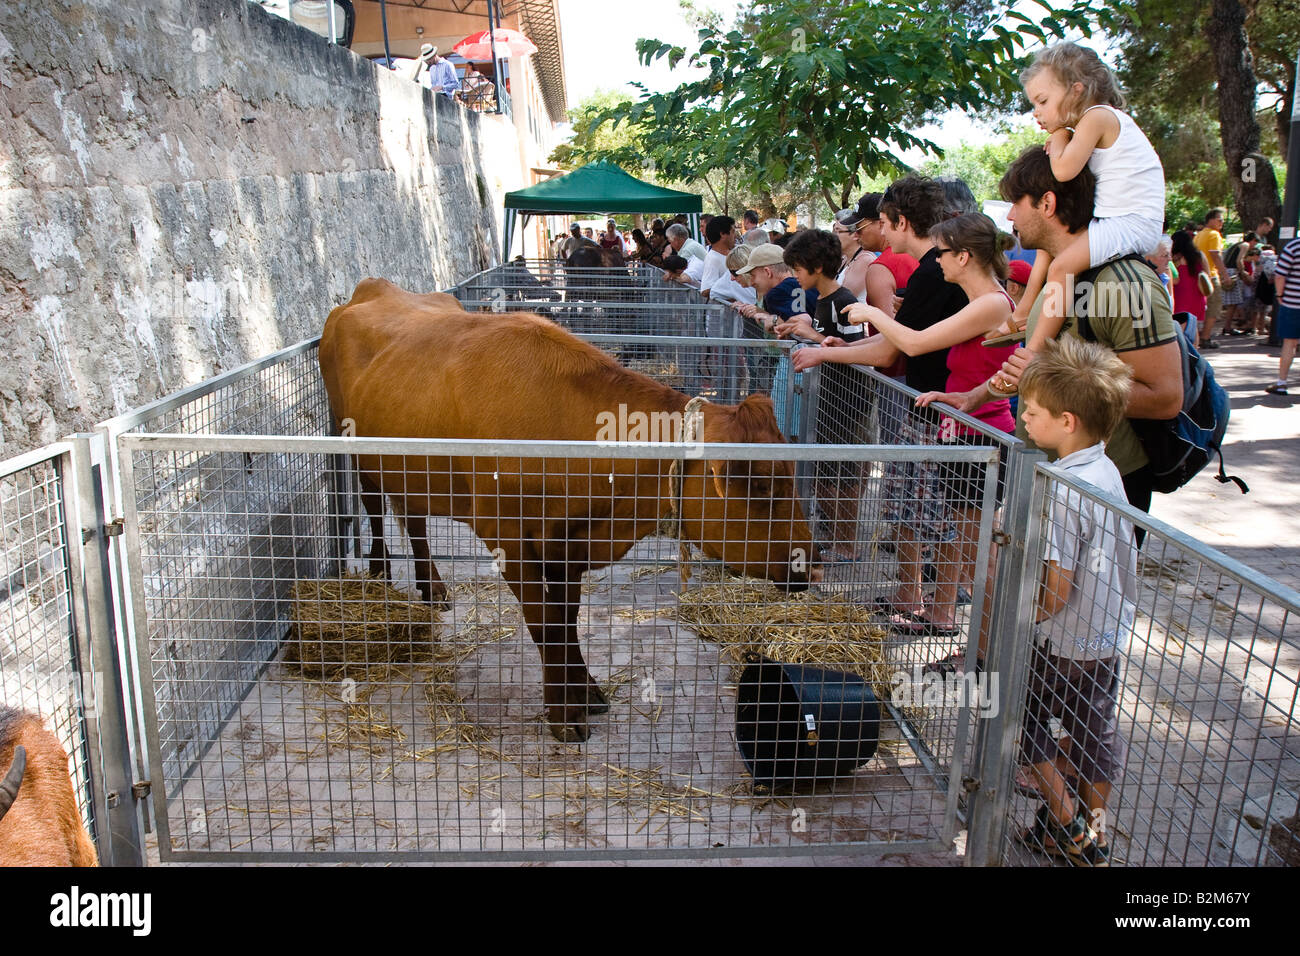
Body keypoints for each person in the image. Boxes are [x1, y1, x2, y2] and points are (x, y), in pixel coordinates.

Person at [939, 146, 1182, 527]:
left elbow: (1166, 397)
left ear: (1047, 203)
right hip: (1048, 479)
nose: (1011, 215)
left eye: (1016, 203)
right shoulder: (1058, 274)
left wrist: (1049, 379)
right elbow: (1034, 367)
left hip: (1098, 493)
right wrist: (976, 396)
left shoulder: (1124, 284)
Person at [847, 213, 1018, 640]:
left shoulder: (992, 303)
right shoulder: (976, 302)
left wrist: (873, 312)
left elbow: (915, 343)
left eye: (942, 253)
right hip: (961, 430)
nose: (936, 261)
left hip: (981, 439)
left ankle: (985, 648)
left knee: (981, 553)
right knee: (961, 538)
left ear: (964, 256)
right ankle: (950, 624)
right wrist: (965, 398)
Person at [794, 177, 967, 597]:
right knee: (915, 513)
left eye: (885, 224)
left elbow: (891, 351)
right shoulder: (928, 270)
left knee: (944, 522)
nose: (880, 233)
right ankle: (916, 601)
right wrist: (842, 343)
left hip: (943, 412)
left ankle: (941, 607)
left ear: (903, 223)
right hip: (927, 407)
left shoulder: (931, 273)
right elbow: (892, 340)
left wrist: (825, 352)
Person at [1015, 335, 1136, 867]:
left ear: (1067, 421)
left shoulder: (1062, 489)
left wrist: (1022, 620)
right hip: (1105, 633)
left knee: (1023, 721)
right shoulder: (1106, 469)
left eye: (1031, 410)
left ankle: (1067, 824)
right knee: (1093, 733)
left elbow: (1058, 586)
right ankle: (1095, 831)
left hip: (1060, 637)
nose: (1021, 417)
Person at [1006, 43, 1165, 365]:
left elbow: (1063, 170)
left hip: (1130, 221)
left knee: (1063, 267)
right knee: (1052, 252)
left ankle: (1033, 351)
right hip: (1118, 217)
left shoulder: (1098, 117)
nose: (1036, 111)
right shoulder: (1094, 124)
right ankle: (1023, 312)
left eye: (1043, 101)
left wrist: (1061, 134)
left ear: (1077, 91)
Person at [774, 229, 868, 561]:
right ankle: (836, 539)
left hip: (849, 403)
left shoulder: (844, 302)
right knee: (828, 475)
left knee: (843, 478)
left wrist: (809, 335)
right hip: (828, 399)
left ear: (815, 267)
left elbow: (859, 352)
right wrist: (804, 332)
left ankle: (847, 544)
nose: (794, 277)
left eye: (797, 269)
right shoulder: (824, 300)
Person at [1266, 233, 1300, 395]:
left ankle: (1282, 382)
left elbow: (1280, 274)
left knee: (1289, 343)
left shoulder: (1293, 247)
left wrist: (1280, 295)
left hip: (1293, 303)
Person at [1194, 208, 1231, 348]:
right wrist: (1225, 275)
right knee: (1214, 307)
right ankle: (1205, 337)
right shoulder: (1214, 235)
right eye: (1220, 219)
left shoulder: (1199, 234)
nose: (1222, 223)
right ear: (1211, 220)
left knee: (1202, 307)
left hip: (1199, 276)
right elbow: (1215, 255)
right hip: (1211, 276)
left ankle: (1199, 335)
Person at [1170, 230, 1209, 344]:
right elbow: (1207, 274)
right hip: (1197, 294)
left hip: (1180, 295)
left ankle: (1182, 351)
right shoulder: (1199, 256)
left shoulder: (1174, 258)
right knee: (1194, 326)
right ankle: (1195, 351)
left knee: (1180, 324)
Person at [832, 207, 874, 302]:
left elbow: (841, 298)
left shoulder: (864, 260)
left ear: (854, 234)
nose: (834, 236)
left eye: (838, 231)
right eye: (835, 231)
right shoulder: (844, 258)